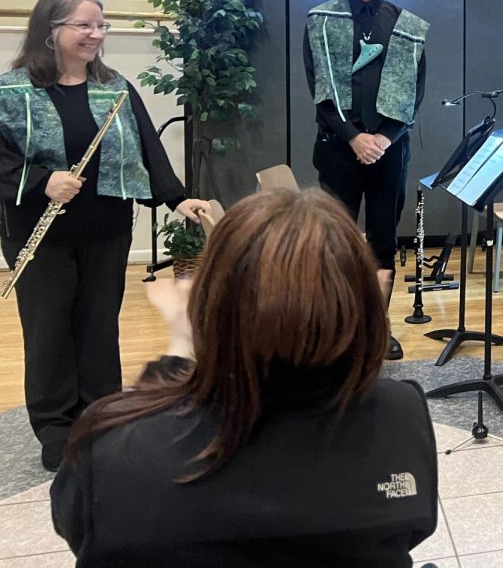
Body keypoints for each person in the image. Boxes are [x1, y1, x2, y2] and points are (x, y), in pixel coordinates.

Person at [49, 187, 439, 566]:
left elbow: (75, 527)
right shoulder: (400, 414)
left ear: (210, 306)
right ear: (364, 308)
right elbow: (414, 530)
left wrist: (179, 348)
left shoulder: (110, 445)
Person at [0, 0, 207, 473]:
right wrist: (41, 181)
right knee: (49, 331)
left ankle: (100, 417)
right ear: (51, 32)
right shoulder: (11, 91)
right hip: (38, 232)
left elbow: (147, 150)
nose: (96, 35)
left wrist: (178, 197)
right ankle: (55, 429)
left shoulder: (115, 86)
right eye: (84, 25)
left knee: (97, 328)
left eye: (101, 26)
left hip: (106, 228)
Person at [303, 0, 427, 361]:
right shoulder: (321, 20)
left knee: (381, 242)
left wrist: (383, 139)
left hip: (389, 153)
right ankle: (333, 330)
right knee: (333, 242)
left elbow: (414, 93)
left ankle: (377, 328)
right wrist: (354, 137)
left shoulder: (406, 26)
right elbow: (320, 92)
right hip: (338, 149)